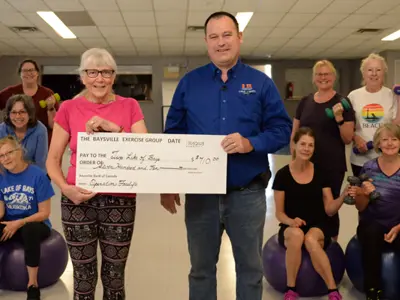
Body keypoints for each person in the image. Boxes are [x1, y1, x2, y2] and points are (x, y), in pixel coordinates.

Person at [161, 11, 292, 300]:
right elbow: (174, 135)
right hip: (200, 196)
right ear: (206, 42)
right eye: (214, 36)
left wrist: (251, 143)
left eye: (227, 35)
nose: (221, 42)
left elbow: (282, 129)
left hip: (247, 193)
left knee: (250, 270)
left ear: (239, 37)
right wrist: (167, 182)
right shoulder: (189, 83)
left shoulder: (261, 83)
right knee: (201, 270)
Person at [46, 48, 147, 300]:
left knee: (115, 276)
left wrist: (115, 129)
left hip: (120, 199)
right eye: (92, 72)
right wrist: (66, 189)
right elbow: (53, 160)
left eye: (105, 72)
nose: (99, 79)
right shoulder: (68, 108)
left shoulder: (130, 106)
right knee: (83, 276)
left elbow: (145, 150)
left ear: (114, 77)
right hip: (77, 201)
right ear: (83, 76)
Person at [273, 127, 346, 300]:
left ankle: (332, 290)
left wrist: (343, 195)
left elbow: (329, 209)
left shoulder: (321, 173)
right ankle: (291, 288)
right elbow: (279, 213)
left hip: (318, 225)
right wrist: (291, 221)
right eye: (303, 144)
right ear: (295, 146)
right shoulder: (282, 175)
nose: (306, 148)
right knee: (297, 236)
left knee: (311, 239)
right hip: (292, 225)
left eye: (311, 145)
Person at [290, 60, 355, 240]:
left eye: (327, 74)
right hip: (306, 164)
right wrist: (294, 160)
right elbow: (294, 134)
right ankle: (309, 242)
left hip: (331, 165)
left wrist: (339, 118)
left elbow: (348, 138)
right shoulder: (305, 102)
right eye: (319, 74)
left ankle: (331, 245)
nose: (323, 77)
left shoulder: (342, 102)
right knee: (306, 204)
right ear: (314, 78)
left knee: (330, 209)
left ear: (334, 77)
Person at [349, 123, 400, 300]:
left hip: (398, 223)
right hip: (373, 224)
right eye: (385, 139)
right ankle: (373, 291)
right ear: (378, 144)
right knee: (371, 234)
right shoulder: (369, 167)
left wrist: (399, 227)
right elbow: (360, 207)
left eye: (394, 139)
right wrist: (363, 193)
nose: (390, 143)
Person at [0, 135, 54, 300]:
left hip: (35, 223)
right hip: (11, 224)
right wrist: (11, 224)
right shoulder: (1, 177)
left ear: (19, 152)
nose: (5, 158)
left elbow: (44, 212)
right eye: (1, 156)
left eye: (9, 153)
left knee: (29, 230)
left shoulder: (38, 175)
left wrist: (19, 223)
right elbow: (1, 212)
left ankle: (32, 285)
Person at [348, 53, 400, 177]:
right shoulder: (353, 96)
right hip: (359, 159)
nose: (374, 73)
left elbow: (396, 124)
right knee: (361, 194)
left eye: (378, 70)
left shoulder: (391, 95)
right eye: (370, 70)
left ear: (384, 73)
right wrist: (356, 138)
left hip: (386, 158)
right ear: (363, 73)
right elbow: (349, 125)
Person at [0, 59, 59, 147]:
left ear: (37, 73)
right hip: (15, 144)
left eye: (31, 70)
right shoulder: (10, 92)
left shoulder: (47, 94)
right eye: (25, 71)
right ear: (20, 74)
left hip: (41, 143)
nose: (29, 73)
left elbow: (53, 125)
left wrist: (50, 108)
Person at [0, 94, 48, 171]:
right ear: (8, 114)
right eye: (13, 112)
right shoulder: (1, 129)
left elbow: (41, 165)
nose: (18, 116)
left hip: (31, 175)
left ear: (30, 113)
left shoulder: (41, 130)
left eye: (22, 111)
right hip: (5, 176)